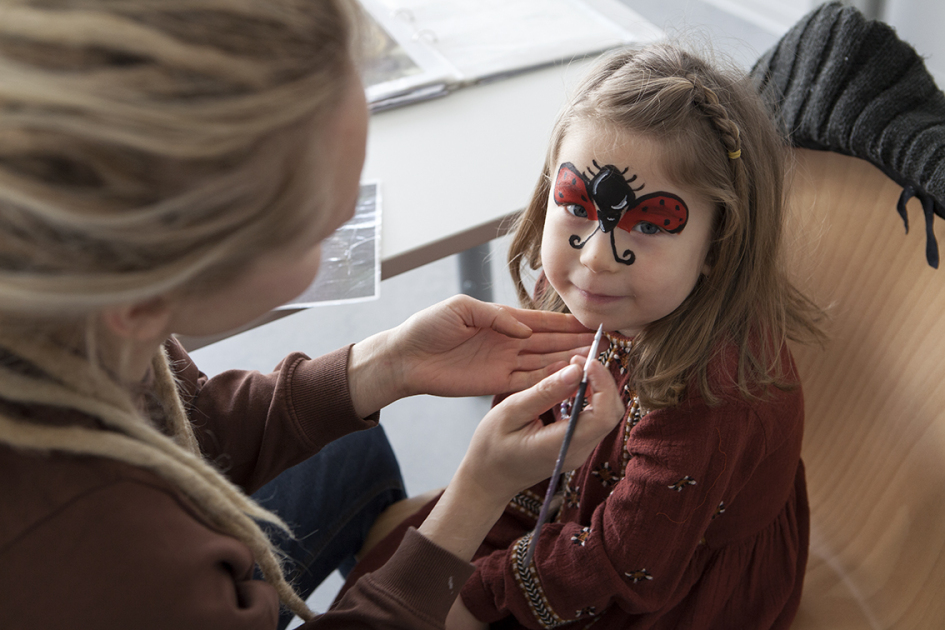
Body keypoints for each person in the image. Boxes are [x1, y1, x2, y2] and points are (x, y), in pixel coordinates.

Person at [0, 1, 625, 629]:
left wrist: (386, 364)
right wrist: (477, 495)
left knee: (354, 445)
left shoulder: (76, 305)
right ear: (148, 291)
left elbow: (185, 430)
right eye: (319, 228)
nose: (349, 221)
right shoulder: (113, 558)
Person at [339, 43, 826, 629]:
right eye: (574, 204)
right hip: (570, 509)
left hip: (665, 573)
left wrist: (480, 595)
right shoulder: (582, 290)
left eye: (648, 224)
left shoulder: (714, 395)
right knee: (399, 585)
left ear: (717, 247)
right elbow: (531, 443)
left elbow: (626, 565)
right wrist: (488, 530)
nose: (595, 258)